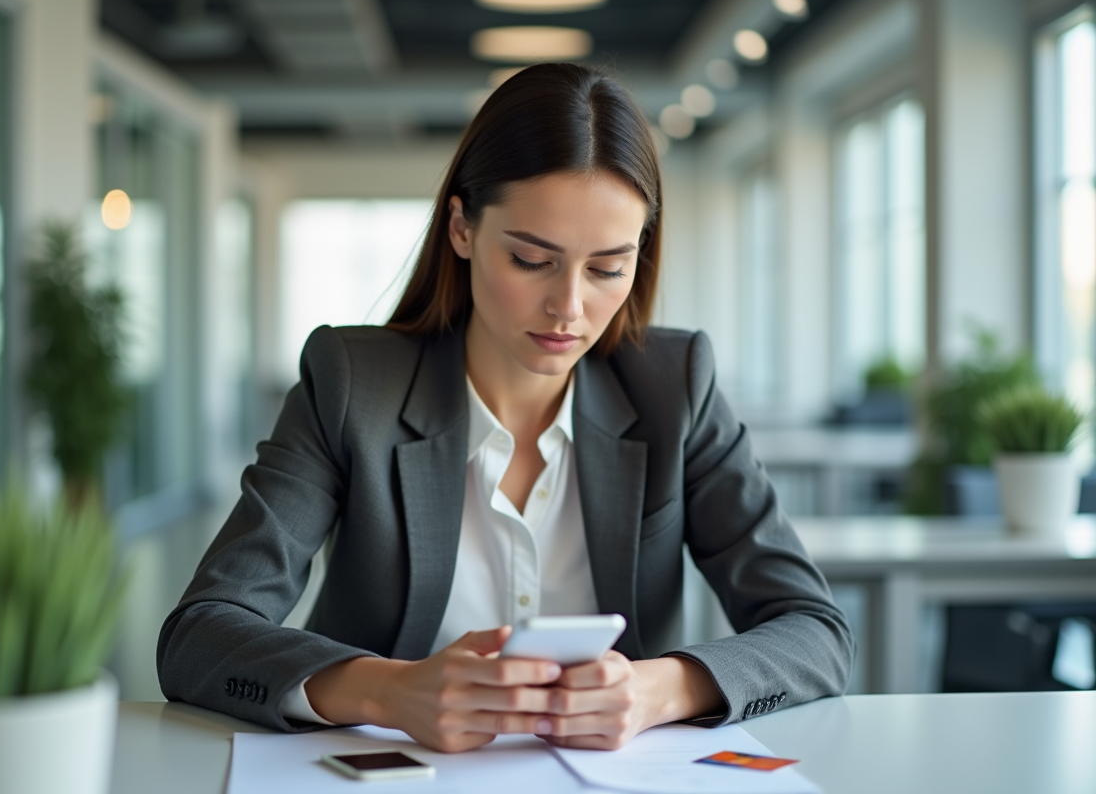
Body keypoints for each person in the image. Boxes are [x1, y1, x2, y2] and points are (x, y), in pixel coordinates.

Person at [157, 63, 853, 753]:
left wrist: (659, 690)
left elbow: (816, 631)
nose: (570, 307)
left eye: (609, 267)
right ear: (461, 228)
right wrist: (385, 689)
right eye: (530, 259)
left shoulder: (676, 386)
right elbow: (200, 634)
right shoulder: (351, 383)